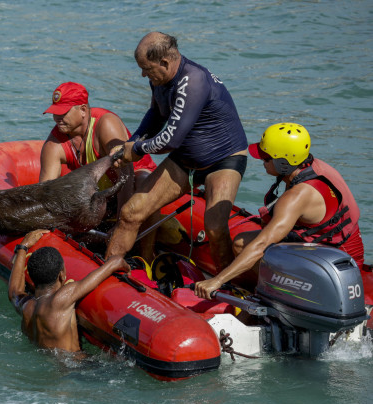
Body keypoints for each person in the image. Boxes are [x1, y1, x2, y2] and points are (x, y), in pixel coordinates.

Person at [106, 32, 248, 273]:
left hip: (223, 159)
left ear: (165, 62)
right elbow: (155, 115)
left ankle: (226, 286)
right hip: (185, 159)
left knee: (214, 227)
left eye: (146, 68)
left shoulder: (193, 81)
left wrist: (137, 149)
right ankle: (106, 274)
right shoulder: (158, 79)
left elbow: (171, 139)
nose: (143, 74)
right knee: (130, 213)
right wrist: (131, 143)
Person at [194, 123, 365, 299]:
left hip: (333, 264)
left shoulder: (296, 197)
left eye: (266, 157)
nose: (261, 160)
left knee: (247, 245)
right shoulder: (312, 167)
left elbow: (261, 246)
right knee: (241, 242)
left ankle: (268, 297)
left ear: (283, 163)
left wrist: (218, 280)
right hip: (339, 249)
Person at [40, 81, 158, 260]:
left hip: (133, 180)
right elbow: (45, 193)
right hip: (104, 189)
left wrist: (121, 226)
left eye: (63, 112)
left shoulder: (105, 125)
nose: (57, 118)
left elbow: (126, 176)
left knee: (144, 183)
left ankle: (147, 257)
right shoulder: (54, 144)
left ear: (83, 110)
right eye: (55, 113)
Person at [8, 229, 129, 353]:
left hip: (50, 362)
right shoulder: (60, 299)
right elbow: (110, 267)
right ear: (62, 276)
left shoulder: (26, 306)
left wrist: (23, 248)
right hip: (75, 366)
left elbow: (14, 291)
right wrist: (119, 264)